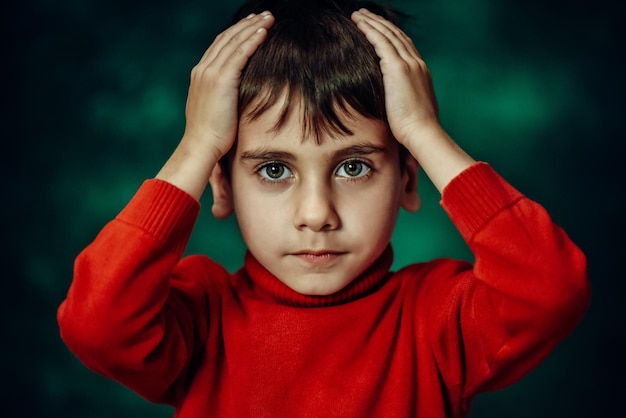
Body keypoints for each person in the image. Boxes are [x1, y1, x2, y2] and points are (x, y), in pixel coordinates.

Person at [57, 0, 590, 417]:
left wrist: (425, 134)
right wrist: (197, 146)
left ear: (408, 179)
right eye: (273, 169)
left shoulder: (436, 321)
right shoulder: (200, 318)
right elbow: (95, 323)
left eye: (353, 167)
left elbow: (550, 290)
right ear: (218, 186)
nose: (316, 214)